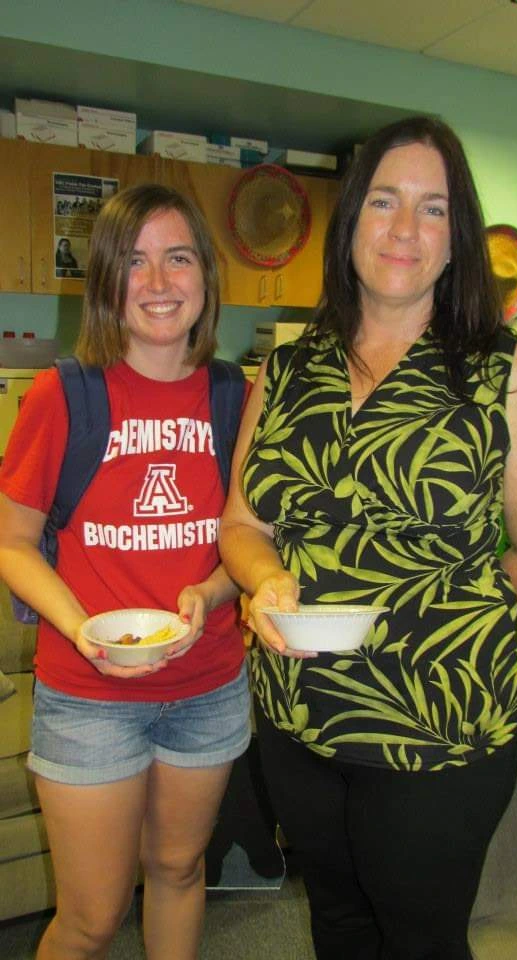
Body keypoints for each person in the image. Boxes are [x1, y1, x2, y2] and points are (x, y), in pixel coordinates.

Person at [219, 116, 517, 960]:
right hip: (300, 718)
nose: (405, 229)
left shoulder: (502, 372)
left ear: (456, 237)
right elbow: (243, 524)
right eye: (386, 202)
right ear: (352, 219)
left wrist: (435, 623)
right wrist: (265, 584)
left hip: (439, 722)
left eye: (433, 209)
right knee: (339, 924)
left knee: (421, 938)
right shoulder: (287, 369)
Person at [0, 183, 251, 960]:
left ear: (205, 277)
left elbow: (252, 539)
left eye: (177, 258)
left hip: (208, 684)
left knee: (178, 869)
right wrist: (77, 626)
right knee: (91, 919)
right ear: (107, 281)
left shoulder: (235, 398)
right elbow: (12, 540)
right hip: (89, 695)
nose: (158, 281)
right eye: (134, 262)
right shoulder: (61, 394)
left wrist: (211, 593)